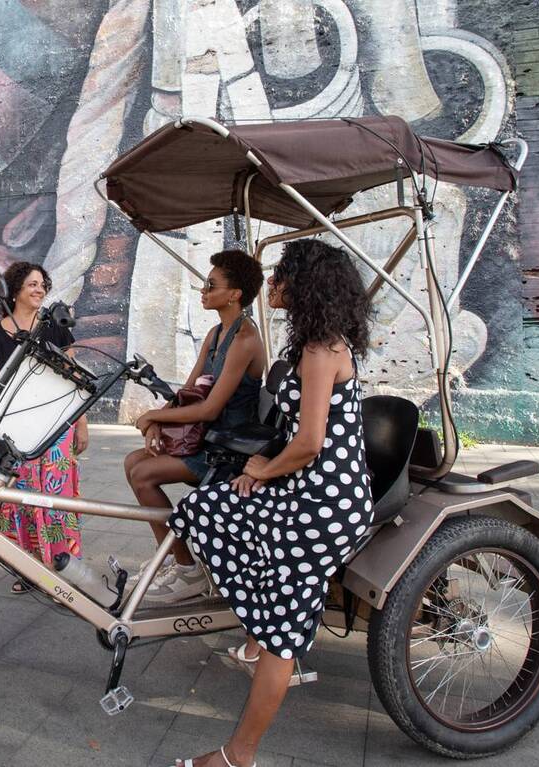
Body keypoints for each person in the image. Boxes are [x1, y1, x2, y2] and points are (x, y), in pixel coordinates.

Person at [166, 239, 373, 767]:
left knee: (282, 620)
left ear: (304, 285)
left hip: (326, 500)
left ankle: (239, 755)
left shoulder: (320, 349)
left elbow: (309, 442)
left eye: (282, 275)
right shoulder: (310, 343)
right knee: (205, 508)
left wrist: (263, 469)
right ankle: (269, 628)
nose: (273, 283)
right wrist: (265, 473)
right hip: (305, 487)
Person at [124, 250, 265, 603]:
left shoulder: (245, 338)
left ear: (234, 294)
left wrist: (153, 416)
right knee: (132, 462)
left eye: (211, 284)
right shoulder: (216, 334)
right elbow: (189, 395)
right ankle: (172, 559)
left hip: (228, 452)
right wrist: (155, 424)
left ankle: (188, 570)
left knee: (143, 475)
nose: (203, 290)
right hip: (206, 441)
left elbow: (210, 408)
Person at [0, 261, 89, 594]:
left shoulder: (55, 328)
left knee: (57, 499)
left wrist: (81, 425)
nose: (40, 290)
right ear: (13, 292)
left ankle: (63, 571)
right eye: (32, 285)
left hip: (55, 429)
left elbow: (76, 379)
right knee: (20, 501)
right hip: (14, 433)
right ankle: (29, 569)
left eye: (43, 284)